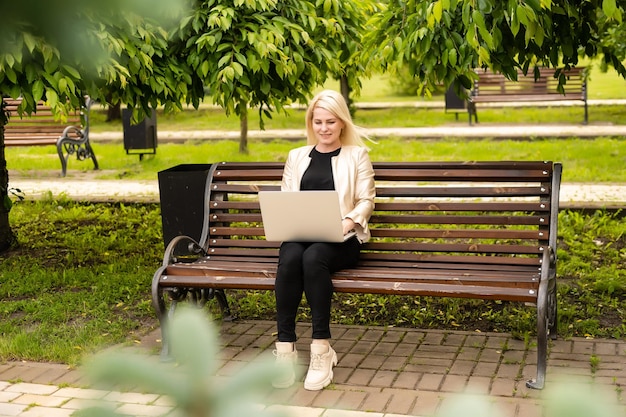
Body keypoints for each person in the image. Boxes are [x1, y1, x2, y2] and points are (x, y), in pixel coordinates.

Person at [272, 90, 376, 391]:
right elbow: (287, 198)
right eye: (318, 122)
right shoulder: (296, 157)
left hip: (341, 239)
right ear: (311, 123)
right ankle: (285, 348)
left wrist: (347, 221)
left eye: (331, 122)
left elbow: (366, 200)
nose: (324, 128)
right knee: (291, 256)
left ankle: (321, 349)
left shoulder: (357, 156)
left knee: (313, 257)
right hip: (302, 233)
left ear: (342, 122)